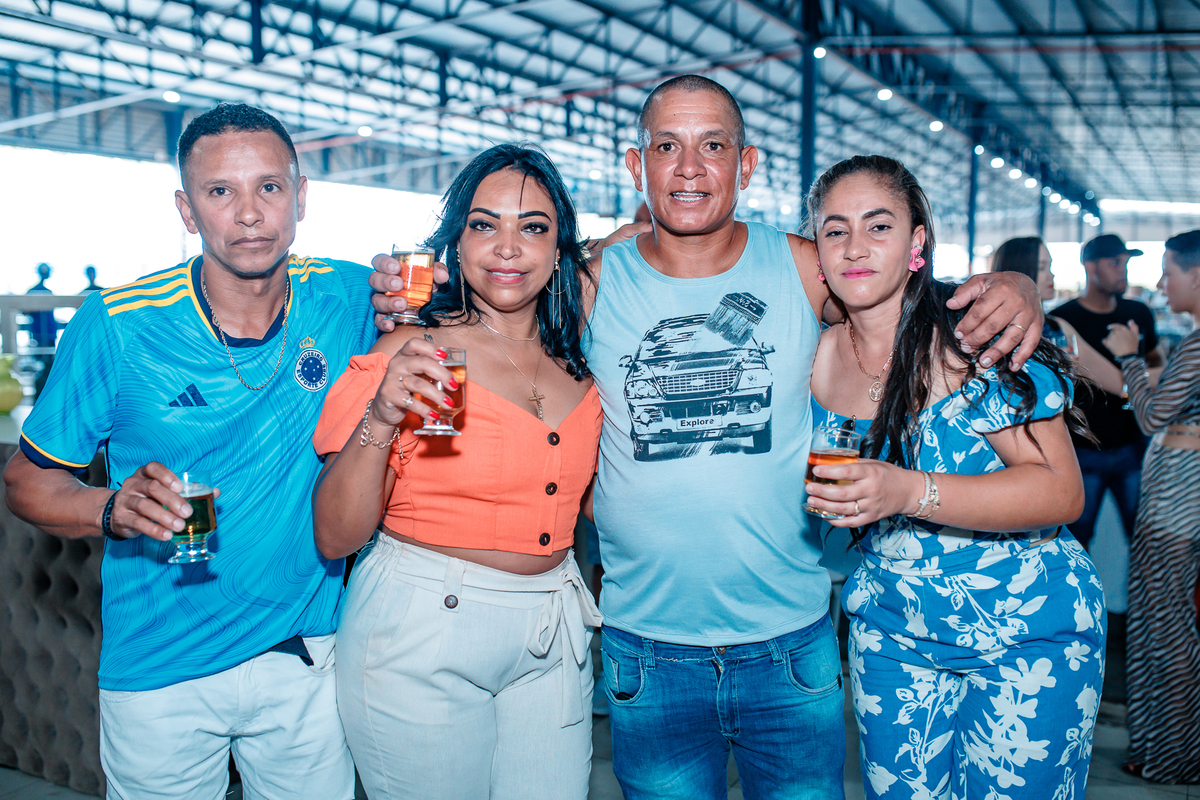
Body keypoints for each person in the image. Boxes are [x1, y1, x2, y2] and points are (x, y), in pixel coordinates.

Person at [369, 75, 1044, 800]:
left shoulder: (803, 266)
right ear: (637, 166)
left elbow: (890, 285)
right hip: (646, 648)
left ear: (746, 165)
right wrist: (403, 297)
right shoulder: (589, 283)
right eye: (667, 147)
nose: (689, 168)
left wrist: (1014, 287)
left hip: (791, 643)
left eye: (713, 146)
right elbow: (492, 301)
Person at [3, 103, 375, 799]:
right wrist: (110, 508)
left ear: (301, 197)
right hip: (161, 670)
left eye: (269, 187)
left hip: (305, 657)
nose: (250, 213)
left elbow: (489, 282)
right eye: (220, 191)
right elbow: (26, 481)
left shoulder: (350, 296)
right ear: (187, 209)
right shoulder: (119, 325)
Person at [803, 155, 1106, 799]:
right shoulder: (816, 352)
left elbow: (1061, 489)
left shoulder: (972, 341)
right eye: (835, 230)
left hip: (1025, 629)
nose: (855, 247)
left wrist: (907, 490)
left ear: (916, 242)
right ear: (817, 251)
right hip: (891, 630)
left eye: (878, 226)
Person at [311, 144, 603, 800]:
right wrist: (382, 414)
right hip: (421, 631)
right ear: (455, 244)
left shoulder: (579, 368)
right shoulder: (410, 351)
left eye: (533, 227)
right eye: (484, 224)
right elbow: (335, 535)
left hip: (552, 632)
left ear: (559, 249)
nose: (508, 247)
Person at [1102, 229, 1200, 783]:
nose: (1161, 284)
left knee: (1165, 628)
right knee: (1172, 624)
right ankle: (1166, 749)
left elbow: (1150, 416)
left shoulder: (1198, 345)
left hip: (1175, 507)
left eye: (1169, 272)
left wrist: (1127, 357)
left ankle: (1173, 757)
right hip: (1181, 504)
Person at [1051, 234, 1162, 549]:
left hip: (1131, 445)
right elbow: (1127, 380)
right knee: (1076, 541)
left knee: (1143, 537)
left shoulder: (1138, 312)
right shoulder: (1063, 320)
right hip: (1084, 449)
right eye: (1115, 263)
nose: (1122, 272)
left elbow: (1157, 361)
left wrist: (1152, 375)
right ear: (1090, 266)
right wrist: (1170, 374)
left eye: (1126, 264)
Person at [991, 236, 1124, 396]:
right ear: (1017, 272)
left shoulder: (1057, 328)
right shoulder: (990, 330)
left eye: (1050, 267)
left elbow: (1117, 383)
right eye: (1042, 268)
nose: (1051, 275)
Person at [25, 262, 57, 397]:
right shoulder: (34, 291)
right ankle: (41, 396)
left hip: (49, 335)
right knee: (43, 366)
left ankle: (45, 395)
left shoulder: (47, 292)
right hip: (40, 336)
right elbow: (24, 310)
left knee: (49, 366)